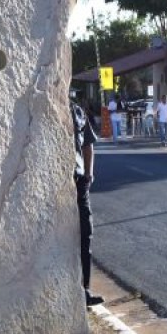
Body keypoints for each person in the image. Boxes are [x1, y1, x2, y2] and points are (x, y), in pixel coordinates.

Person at [72, 99, 103, 307]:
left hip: (78, 182)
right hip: (55, 183)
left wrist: (89, 174)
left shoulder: (77, 111)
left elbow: (88, 145)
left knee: (85, 234)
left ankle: (84, 290)